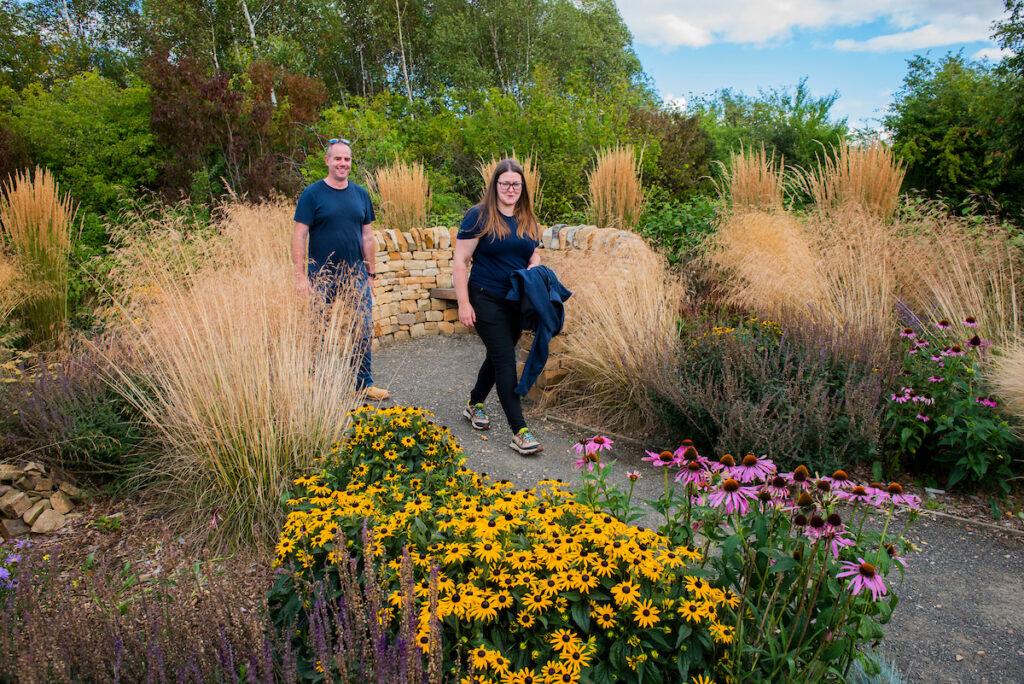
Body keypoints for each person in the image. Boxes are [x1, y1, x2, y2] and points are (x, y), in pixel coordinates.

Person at [454, 158, 543, 455]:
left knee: (496, 356)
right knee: (505, 359)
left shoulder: (528, 218)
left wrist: (535, 266)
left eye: (515, 184)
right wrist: (464, 303)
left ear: (522, 187)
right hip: (484, 297)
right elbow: (460, 262)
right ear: (495, 185)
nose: (510, 188)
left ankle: (474, 404)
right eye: (504, 183)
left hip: (515, 303)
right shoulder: (478, 216)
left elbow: (533, 255)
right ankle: (520, 431)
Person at [292, 137, 390, 402]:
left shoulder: (360, 194)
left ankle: (363, 383)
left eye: (346, 159)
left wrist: (371, 273)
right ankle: (316, 381)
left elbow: (367, 236)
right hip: (320, 273)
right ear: (327, 160)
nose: (342, 163)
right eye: (337, 158)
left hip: (356, 272)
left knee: (362, 326)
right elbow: (300, 235)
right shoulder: (312, 194)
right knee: (318, 327)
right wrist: (300, 276)